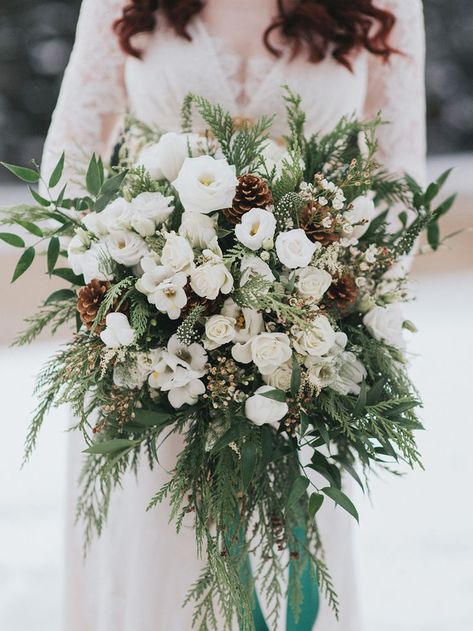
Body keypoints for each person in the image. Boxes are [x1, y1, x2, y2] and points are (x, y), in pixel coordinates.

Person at [41, 1, 426, 629]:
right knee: (153, 565)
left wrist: (334, 301)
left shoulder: (387, 6)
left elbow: (399, 181)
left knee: (286, 567)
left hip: (299, 361)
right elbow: (71, 162)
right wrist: (126, 268)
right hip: (148, 355)